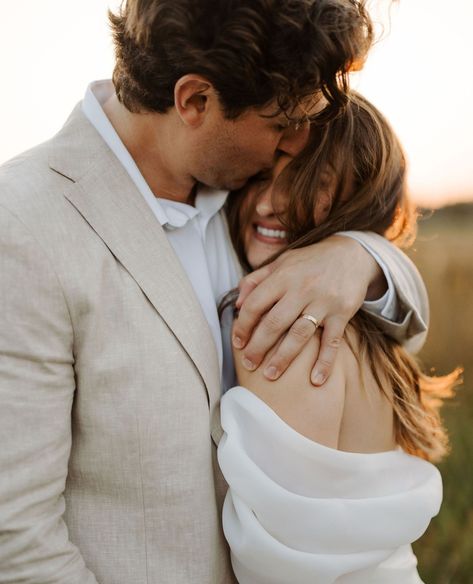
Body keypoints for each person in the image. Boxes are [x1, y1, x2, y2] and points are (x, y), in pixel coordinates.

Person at [0, 2, 428, 583]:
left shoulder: (240, 199)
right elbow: (18, 541)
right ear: (195, 101)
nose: (297, 142)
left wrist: (359, 256)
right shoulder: (22, 224)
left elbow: (407, 316)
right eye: (281, 122)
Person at [218, 92, 461, 583]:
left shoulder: (289, 328)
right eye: (263, 176)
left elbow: (283, 568)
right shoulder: (368, 330)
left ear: (357, 203)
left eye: (312, 184)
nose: (269, 203)